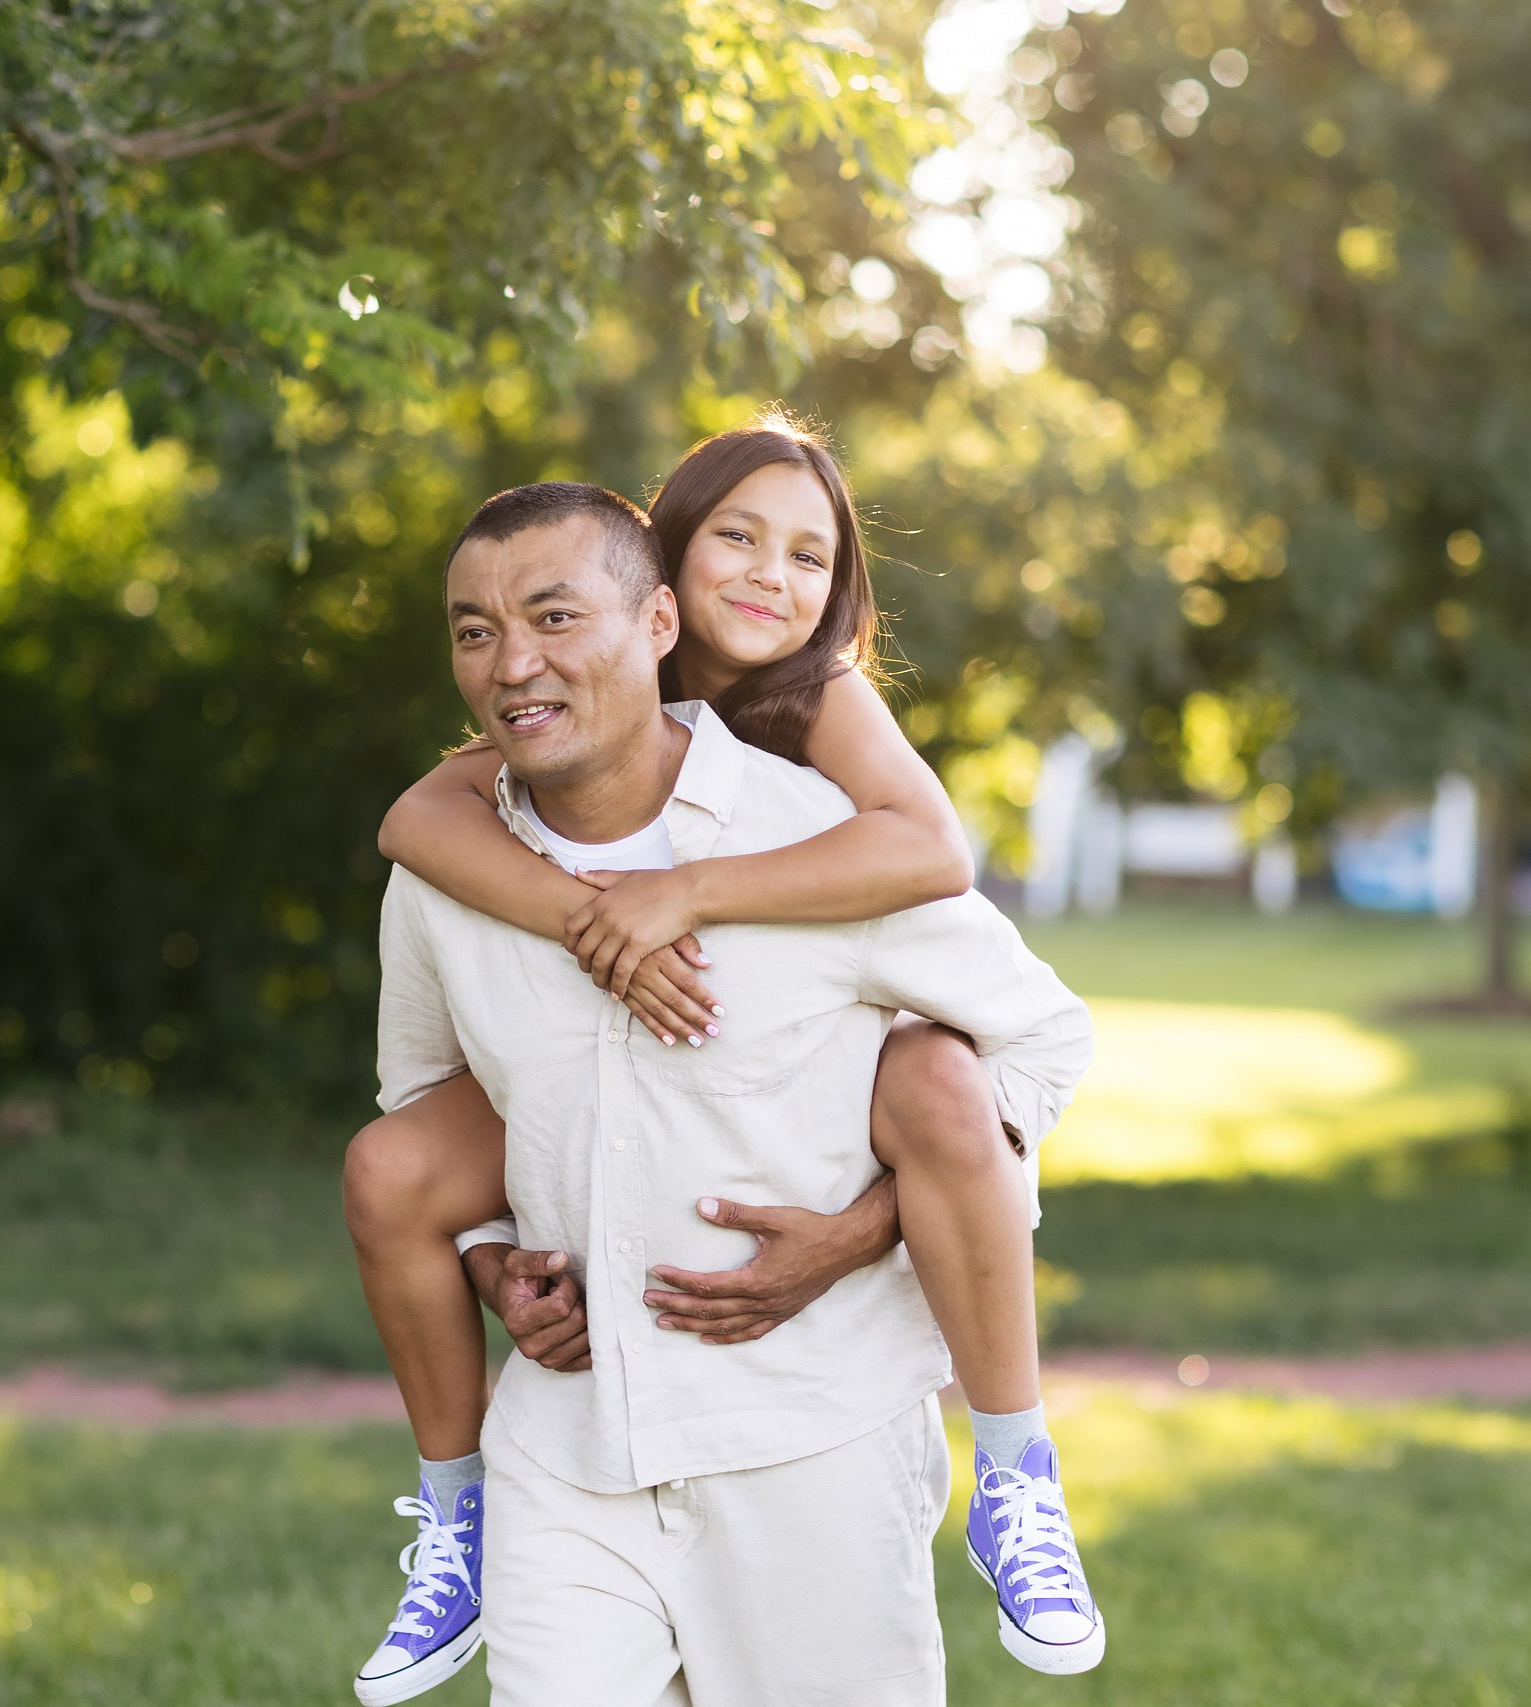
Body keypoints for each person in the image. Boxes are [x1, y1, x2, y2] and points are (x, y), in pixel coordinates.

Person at [355, 465, 1097, 1707]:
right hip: (569, 1455)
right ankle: (458, 1520)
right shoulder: (454, 865)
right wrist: (492, 1261)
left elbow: (1042, 1040)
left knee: (938, 1085)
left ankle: (1018, 1472)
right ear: (681, 574)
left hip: (807, 1441)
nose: (510, 661)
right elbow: (424, 1109)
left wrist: (860, 1233)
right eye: (474, 633)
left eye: (552, 617)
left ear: (653, 623)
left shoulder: (820, 834)